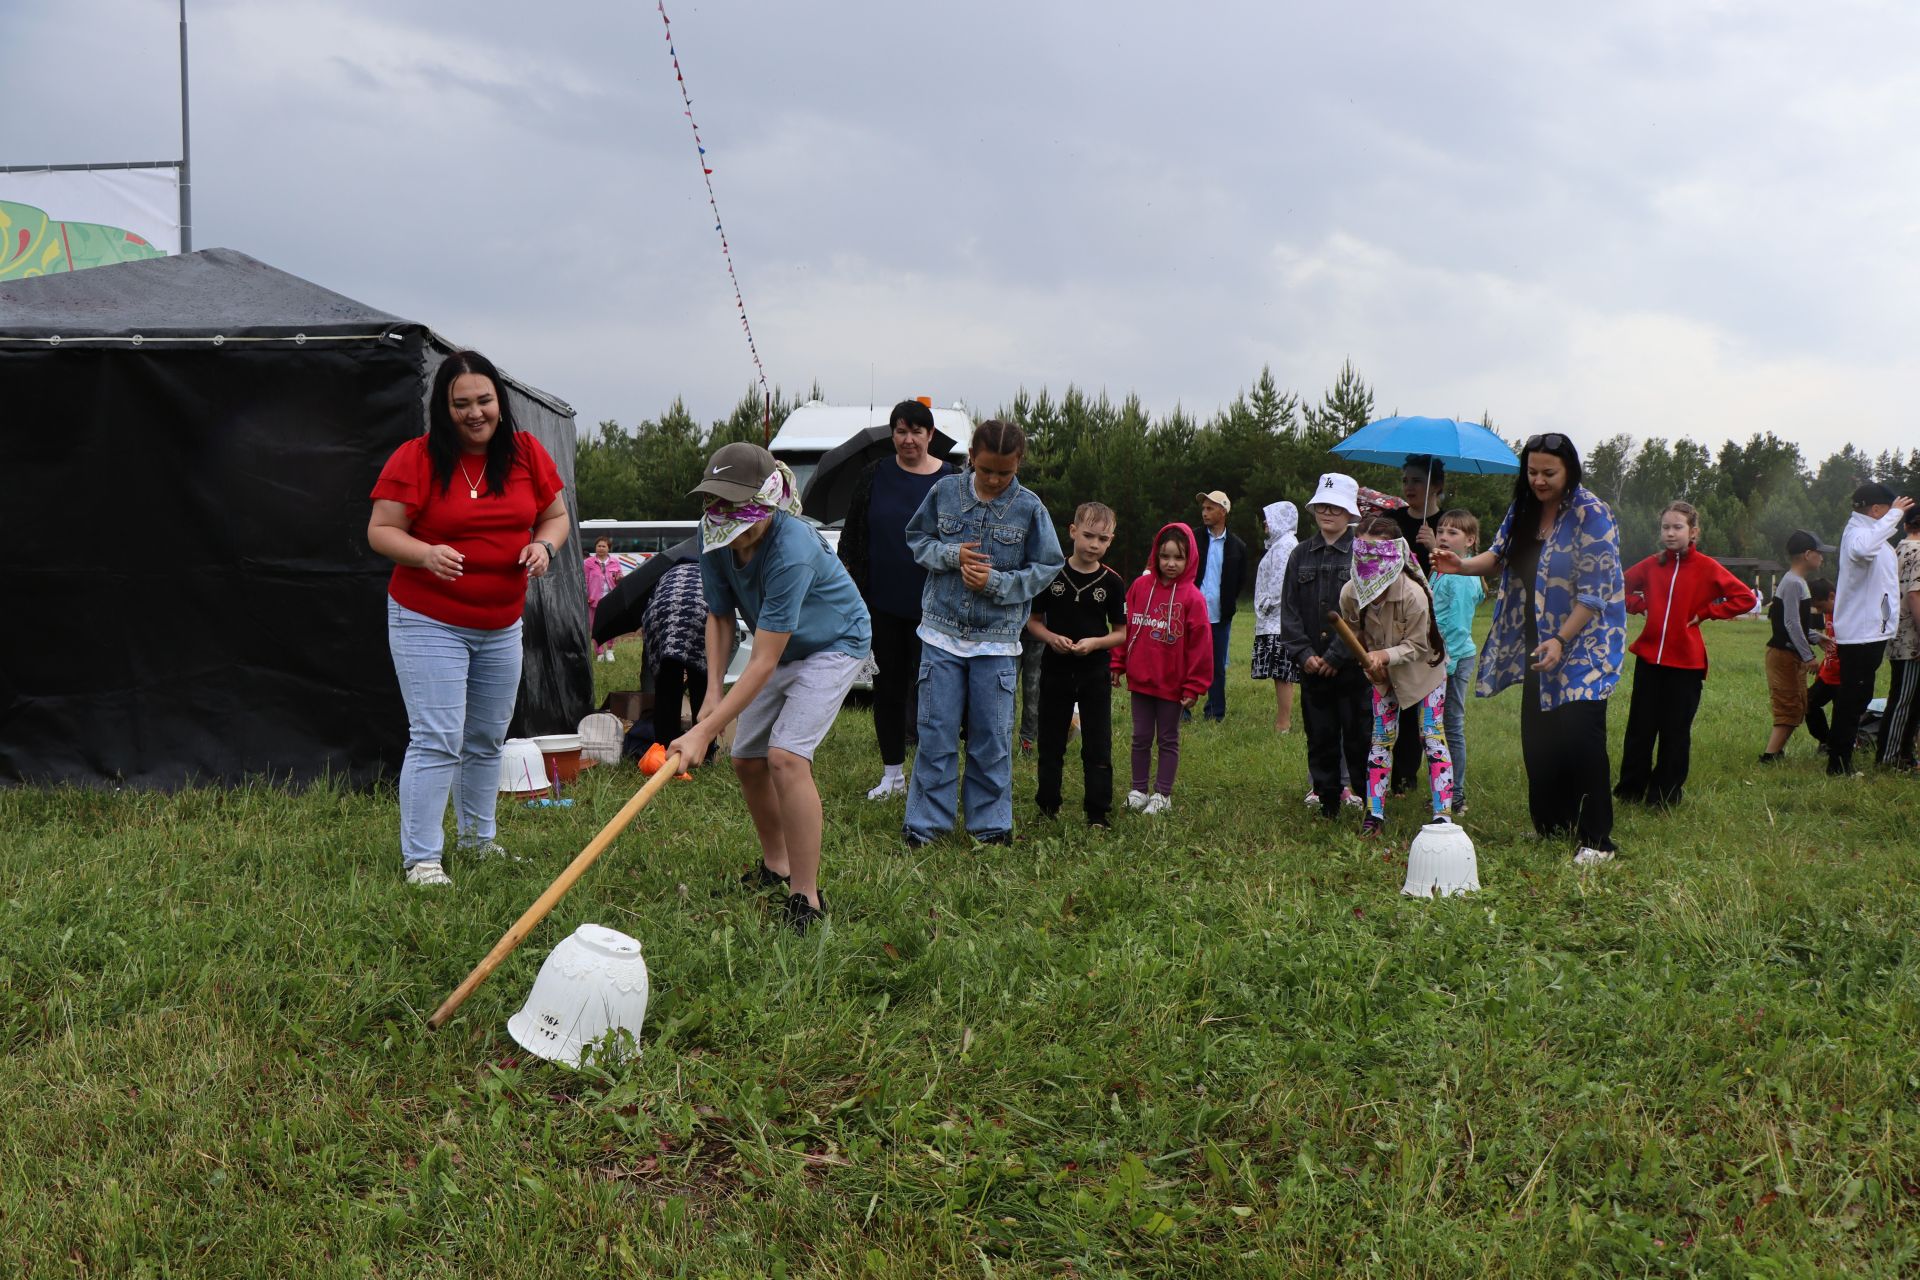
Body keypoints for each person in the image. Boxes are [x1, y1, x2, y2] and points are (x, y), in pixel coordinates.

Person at [368, 350, 570, 887]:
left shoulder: (526, 453)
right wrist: (424, 553)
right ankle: (423, 859)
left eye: (484, 400)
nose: (475, 412)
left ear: (500, 402)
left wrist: (544, 548)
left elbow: (555, 516)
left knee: (485, 737)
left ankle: (479, 842)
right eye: (462, 404)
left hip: (501, 622)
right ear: (444, 408)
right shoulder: (415, 458)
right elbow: (381, 530)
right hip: (428, 618)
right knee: (438, 737)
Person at [666, 442, 871, 935]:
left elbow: (762, 661)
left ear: (766, 501)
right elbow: (718, 615)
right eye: (717, 505)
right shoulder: (714, 534)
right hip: (778, 646)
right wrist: (711, 695)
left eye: (738, 508)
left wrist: (704, 731)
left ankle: (807, 896)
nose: (726, 518)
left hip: (834, 642)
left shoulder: (792, 548)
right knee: (746, 758)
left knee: (785, 757)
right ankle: (776, 866)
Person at [1433, 433, 1626, 866]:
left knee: (1579, 735)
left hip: (1586, 640)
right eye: (1532, 471)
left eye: (1549, 473)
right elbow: (1498, 555)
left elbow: (1597, 593)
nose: (1539, 480)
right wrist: (1461, 564)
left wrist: (1561, 639)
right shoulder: (1523, 508)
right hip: (1536, 639)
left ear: (1570, 470)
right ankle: (1552, 825)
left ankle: (1597, 840)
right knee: (1539, 738)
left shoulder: (1591, 514)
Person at [902, 420, 1063, 846]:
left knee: (991, 737)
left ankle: (990, 827)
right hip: (941, 633)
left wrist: (997, 583)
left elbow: (1047, 567)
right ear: (971, 456)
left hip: (997, 640)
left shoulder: (1031, 509)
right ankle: (925, 827)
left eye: (1004, 472)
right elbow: (917, 539)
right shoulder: (943, 493)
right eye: (986, 469)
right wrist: (951, 555)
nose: (993, 479)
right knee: (935, 731)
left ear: (1018, 465)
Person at [837, 399, 957, 800]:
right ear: (893, 435)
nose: (908, 439)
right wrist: (849, 585)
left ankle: (932, 774)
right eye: (901, 431)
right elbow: (853, 536)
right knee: (887, 688)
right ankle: (892, 774)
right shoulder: (874, 475)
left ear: (930, 435)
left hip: (937, 607)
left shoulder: (952, 479)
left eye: (917, 431)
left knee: (935, 690)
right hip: (882, 603)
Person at [1613, 502, 1756, 807]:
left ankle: (1664, 796)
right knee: (1640, 727)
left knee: (1675, 732)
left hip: (1686, 665)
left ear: (1693, 532)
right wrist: (1640, 605)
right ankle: (1630, 790)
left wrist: (1708, 612)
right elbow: (1614, 586)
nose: (1670, 533)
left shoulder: (1706, 567)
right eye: (1665, 527)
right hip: (1649, 660)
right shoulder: (1652, 565)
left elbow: (1744, 597)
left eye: (1677, 527)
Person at [1339, 518, 1454, 835]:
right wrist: (1368, 662)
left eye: (1375, 556)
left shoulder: (1413, 595)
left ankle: (1442, 815)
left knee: (1431, 736)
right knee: (1381, 737)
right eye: (1361, 554)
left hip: (1425, 673)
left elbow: (1418, 646)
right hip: (1382, 675)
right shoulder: (1351, 593)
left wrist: (1384, 655)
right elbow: (1354, 633)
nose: (1366, 564)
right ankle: (1374, 814)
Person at [1028, 502, 1128, 827]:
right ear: (1072, 532)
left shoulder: (1112, 583)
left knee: (1098, 742)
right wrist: (1050, 637)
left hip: (1094, 671)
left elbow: (1122, 633)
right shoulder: (1051, 574)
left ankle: (1097, 813)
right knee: (1052, 740)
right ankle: (1048, 806)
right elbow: (1032, 622)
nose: (1093, 545)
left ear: (1111, 540)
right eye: (1087, 536)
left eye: (1102, 539)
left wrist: (1095, 644)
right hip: (1055, 669)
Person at [1280, 473, 1371, 821]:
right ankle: (1326, 798)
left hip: (1351, 667)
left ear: (1350, 514)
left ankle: (1366, 800)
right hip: (1312, 667)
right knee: (1319, 735)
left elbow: (1365, 612)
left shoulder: (1361, 555)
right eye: (1322, 505)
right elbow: (1288, 611)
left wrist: (1336, 654)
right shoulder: (1299, 555)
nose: (1327, 512)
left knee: (1357, 736)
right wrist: (1305, 655)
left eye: (1336, 507)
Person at [1113, 523, 1214, 813]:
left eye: (1178, 557)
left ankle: (1163, 794)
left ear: (1190, 559)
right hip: (1141, 680)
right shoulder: (1140, 588)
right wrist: (1118, 663)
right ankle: (1138, 789)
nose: (1171, 563)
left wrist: (1195, 685)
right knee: (1140, 737)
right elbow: (1125, 628)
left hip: (1172, 684)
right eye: (1165, 556)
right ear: (1156, 555)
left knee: (1168, 738)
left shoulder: (1193, 598)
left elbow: (1201, 646)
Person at [1827, 481, 1914, 776]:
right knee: (1852, 699)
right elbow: (1863, 549)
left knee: (1858, 698)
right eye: (1890, 510)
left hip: (1871, 631)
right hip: (1860, 634)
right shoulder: (1858, 534)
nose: (1894, 516)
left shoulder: (1871, 534)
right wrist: (1894, 517)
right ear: (1877, 509)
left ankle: (1841, 757)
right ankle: (1838, 764)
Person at [1386, 457, 1448, 795]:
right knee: (1389, 693)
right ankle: (1383, 764)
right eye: (1406, 480)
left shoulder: (1445, 524)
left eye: (1418, 481)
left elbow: (1459, 573)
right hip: (1391, 617)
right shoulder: (1391, 521)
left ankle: (1407, 773)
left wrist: (1433, 546)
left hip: (1428, 625)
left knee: (1413, 697)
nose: (1409, 487)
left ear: (1437, 486)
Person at [1760, 531, 1832, 763]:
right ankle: (1770, 757)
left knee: (1797, 704)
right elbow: (1790, 623)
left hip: (1791, 654)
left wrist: (1816, 636)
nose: (1822, 558)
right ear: (1807, 554)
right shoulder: (1792, 583)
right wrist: (1808, 654)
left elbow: (1795, 623)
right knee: (1788, 706)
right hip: (1783, 655)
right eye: (1819, 553)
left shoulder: (1798, 582)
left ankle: (1776, 753)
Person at [1430, 510, 1485, 812]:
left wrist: (1445, 665)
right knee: (1434, 726)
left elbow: (1457, 626)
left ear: (1471, 541)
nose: (1444, 537)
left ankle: (1456, 796)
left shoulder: (1462, 577)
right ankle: (1442, 787)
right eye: (1441, 530)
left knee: (1450, 726)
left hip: (1453, 660)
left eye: (1453, 533)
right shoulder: (1439, 568)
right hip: (1437, 658)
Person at [1192, 489, 1247, 721]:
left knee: (1216, 666)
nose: (1204, 513)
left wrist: (1226, 603)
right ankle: (1181, 710)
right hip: (1190, 613)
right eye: (1203, 508)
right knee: (1185, 661)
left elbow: (1239, 581)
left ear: (1222, 511)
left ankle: (1215, 712)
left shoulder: (1237, 546)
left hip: (1219, 615)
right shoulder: (1192, 538)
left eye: (1209, 508)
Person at [641, 559, 709, 747]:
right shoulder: (711, 569)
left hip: (660, 616)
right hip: (700, 614)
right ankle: (704, 748)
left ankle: (664, 745)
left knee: (667, 685)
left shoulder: (665, 574)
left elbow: (649, 606)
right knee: (702, 684)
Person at [1250, 500, 1301, 733]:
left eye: (1268, 519)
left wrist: (1265, 605)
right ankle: (1283, 720)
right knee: (1279, 673)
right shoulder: (1279, 544)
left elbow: (1281, 585)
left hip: (1278, 620)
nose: (1265, 524)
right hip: (1274, 620)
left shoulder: (1285, 546)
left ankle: (1284, 722)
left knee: (1282, 672)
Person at [1876, 506, 1920, 769]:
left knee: (1910, 701)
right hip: (1912, 640)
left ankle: (1905, 755)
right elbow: (1916, 595)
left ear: (1905, 525)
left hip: (1894, 631)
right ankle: (1889, 758)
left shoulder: (1895, 550)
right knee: (1904, 701)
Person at [1804, 579, 1841, 748]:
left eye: (1820, 606)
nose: (1819, 610)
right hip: (1827, 673)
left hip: (1843, 676)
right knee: (1808, 703)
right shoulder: (1828, 613)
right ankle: (1826, 741)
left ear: (1832, 596)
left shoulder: (1846, 612)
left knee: (1841, 713)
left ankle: (1843, 743)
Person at [584, 536, 625, 662]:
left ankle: (610, 650)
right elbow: (584, 581)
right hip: (594, 600)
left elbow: (618, 580)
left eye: (604, 546)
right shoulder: (588, 563)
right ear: (595, 548)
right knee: (596, 627)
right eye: (599, 546)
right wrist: (585, 596)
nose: (601, 548)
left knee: (611, 626)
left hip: (611, 599)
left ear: (608, 549)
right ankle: (599, 652)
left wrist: (619, 579)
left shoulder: (615, 562)